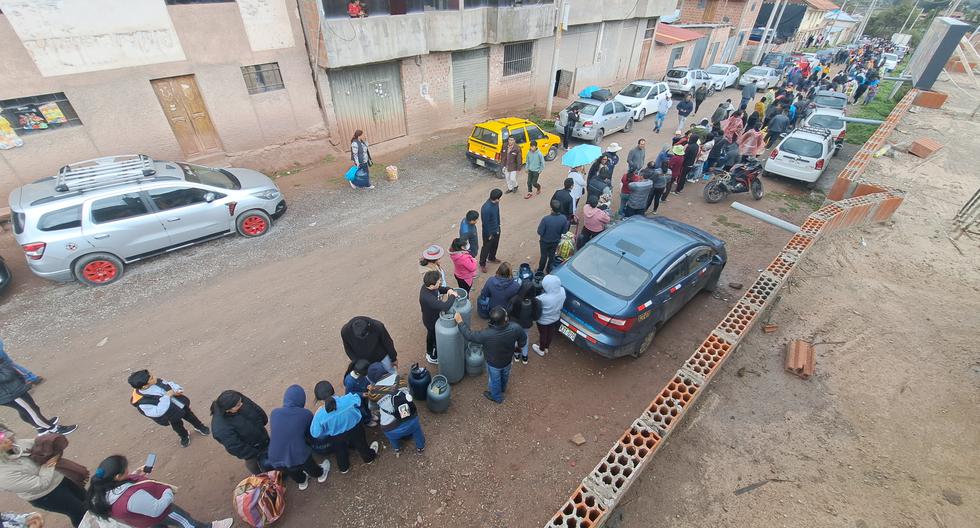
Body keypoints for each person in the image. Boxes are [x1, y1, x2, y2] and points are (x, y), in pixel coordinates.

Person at [86, 455, 232, 528]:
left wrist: (137, 475)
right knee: (186, 521)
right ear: (117, 477)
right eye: (126, 470)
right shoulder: (132, 498)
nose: (128, 470)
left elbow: (125, 485)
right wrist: (167, 491)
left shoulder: (100, 490)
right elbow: (157, 509)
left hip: (142, 521)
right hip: (161, 513)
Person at [0, 426, 86, 527]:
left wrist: (51, 445)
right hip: (47, 495)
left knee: (87, 499)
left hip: (59, 478)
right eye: (1, 441)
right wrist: (50, 463)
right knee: (79, 512)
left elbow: (38, 445)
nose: (7, 439)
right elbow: (40, 484)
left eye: (2, 436)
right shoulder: (3, 475)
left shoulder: (14, 445)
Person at [454, 308, 526, 404]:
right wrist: (518, 348)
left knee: (494, 381)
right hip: (507, 360)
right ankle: (503, 388)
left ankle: (497, 397)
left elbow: (469, 335)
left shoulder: (486, 334)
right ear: (505, 319)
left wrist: (460, 322)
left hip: (493, 363)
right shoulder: (515, 327)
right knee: (505, 375)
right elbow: (523, 341)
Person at [267, 385, 329, 491]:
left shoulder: (275, 413)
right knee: (309, 465)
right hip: (298, 453)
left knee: (291, 470)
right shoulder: (305, 414)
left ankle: (302, 481)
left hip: (274, 456)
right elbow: (311, 435)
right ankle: (320, 474)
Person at [309, 381, 378, 475]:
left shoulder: (320, 415)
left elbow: (315, 433)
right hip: (356, 428)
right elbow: (358, 401)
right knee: (361, 444)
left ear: (319, 399)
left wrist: (326, 431)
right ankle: (368, 458)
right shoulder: (348, 398)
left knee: (340, 451)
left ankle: (344, 468)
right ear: (333, 391)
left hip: (337, 436)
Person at [127, 370, 208, 448]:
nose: (155, 377)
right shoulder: (142, 402)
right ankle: (184, 436)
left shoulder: (157, 381)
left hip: (180, 405)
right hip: (170, 415)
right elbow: (157, 412)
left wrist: (177, 389)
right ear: (145, 386)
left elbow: (170, 385)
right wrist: (167, 396)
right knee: (177, 426)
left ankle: (199, 426)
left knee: (191, 417)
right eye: (151, 378)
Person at [0, 358, 74, 436]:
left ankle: (40, 427)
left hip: (10, 392)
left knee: (26, 410)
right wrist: (4, 366)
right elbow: (6, 376)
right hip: (11, 393)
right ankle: (54, 429)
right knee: (32, 411)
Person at [365, 363, 425, 454]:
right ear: (384, 370)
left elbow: (372, 407)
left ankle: (397, 449)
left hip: (391, 428)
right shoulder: (399, 379)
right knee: (417, 431)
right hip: (411, 419)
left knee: (392, 437)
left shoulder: (373, 392)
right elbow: (407, 392)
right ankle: (420, 448)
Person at [210, 391, 269, 476]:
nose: (241, 404)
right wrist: (253, 453)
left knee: (269, 451)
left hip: (261, 435)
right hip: (251, 448)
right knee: (253, 462)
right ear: (227, 409)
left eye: (241, 401)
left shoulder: (236, 398)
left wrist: (263, 419)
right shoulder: (221, 429)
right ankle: (260, 475)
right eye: (237, 405)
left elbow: (253, 406)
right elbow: (236, 447)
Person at [419, 270, 459, 365]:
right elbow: (445, 306)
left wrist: (448, 289)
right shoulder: (427, 298)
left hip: (434, 317)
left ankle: (432, 351)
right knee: (433, 338)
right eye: (438, 282)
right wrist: (452, 295)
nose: (440, 282)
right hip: (431, 321)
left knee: (433, 336)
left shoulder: (429, 287)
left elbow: (439, 289)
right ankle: (431, 356)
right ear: (432, 285)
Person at [532, 275, 565, 357]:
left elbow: (535, 302)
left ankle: (541, 350)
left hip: (543, 320)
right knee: (550, 332)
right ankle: (546, 347)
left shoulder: (543, 298)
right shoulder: (562, 291)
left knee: (543, 334)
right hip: (555, 317)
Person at [536, 200, 570, 273]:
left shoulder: (546, 219)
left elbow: (539, 232)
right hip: (555, 241)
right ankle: (549, 269)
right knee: (552, 256)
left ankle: (540, 270)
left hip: (544, 242)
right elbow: (564, 232)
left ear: (551, 209)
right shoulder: (564, 218)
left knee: (543, 256)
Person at [478, 189, 502, 273]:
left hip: (496, 229)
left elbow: (497, 214)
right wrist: (489, 234)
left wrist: (498, 226)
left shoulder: (496, 203)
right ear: (496, 198)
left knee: (495, 245)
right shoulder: (486, 208)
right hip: (488, 232)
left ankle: (492, 258)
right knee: (486, 247)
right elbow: (485, 223)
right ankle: (482, 263)